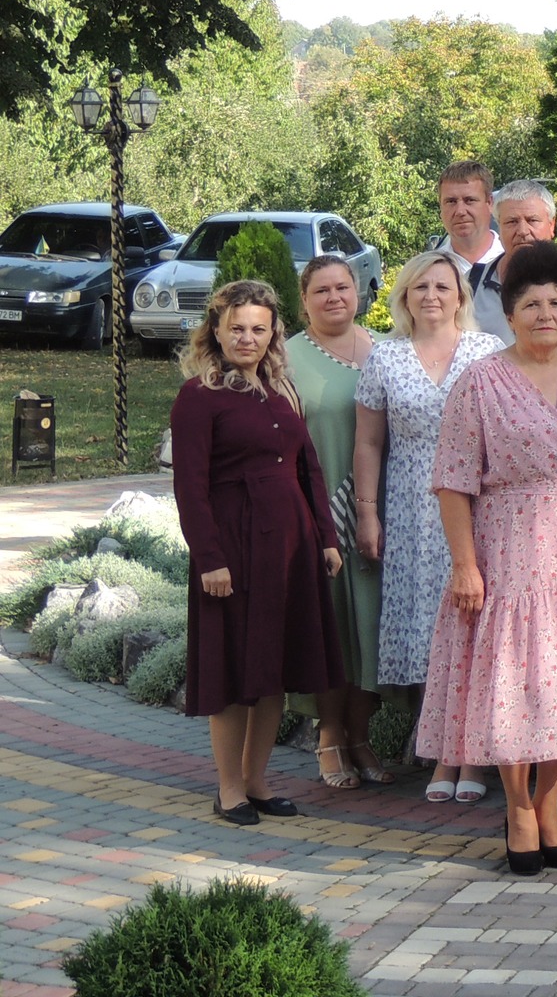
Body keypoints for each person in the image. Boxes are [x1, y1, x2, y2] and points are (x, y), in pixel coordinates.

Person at [415, 243, 557, 876]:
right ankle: (518, 809)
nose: (545, 314)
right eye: (531, 304)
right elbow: (452, 481)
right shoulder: (480, 382)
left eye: (556, 303)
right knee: (513, 686)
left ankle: (549, 806)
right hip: (508, 553)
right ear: (509, 314)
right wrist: (464, 564)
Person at [172, 280, 345, 825]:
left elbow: (308, 468)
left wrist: (326, 537)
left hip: (290, 545)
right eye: (237, 328)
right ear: (217, 331)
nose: (247, 338)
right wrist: (209, 559)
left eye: (258, 329)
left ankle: (257, 781)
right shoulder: (198, 397)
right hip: (234, 546)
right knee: (232, 672)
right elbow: (190, 487)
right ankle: (229, 789)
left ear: (273, 334)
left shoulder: (281, 389)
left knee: (274, 665)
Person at [352, 250, 503, 803]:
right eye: (421, 287)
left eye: (443, 286)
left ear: (460, 296)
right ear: (405, 297)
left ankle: (471, 757)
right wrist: (367, 511)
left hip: (476, 508)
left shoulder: (488, 351)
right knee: (430, 635)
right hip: (412, 512)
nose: (432, 296)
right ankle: (441, 750)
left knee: (475, 628)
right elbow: (369, 442)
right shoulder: (385, 357)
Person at [285, 256, 391, 791]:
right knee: (331, 628)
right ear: (304, 300)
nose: (334, 298)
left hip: (380, 512)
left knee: (369, 625)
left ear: (358, 292)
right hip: (319, 511)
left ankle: (360, 735)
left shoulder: (386, 350)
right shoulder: (286, 358)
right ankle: (329, 736)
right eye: (321, 290)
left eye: (342, 287)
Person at [470, 180, 557, 341]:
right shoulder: (470, 285)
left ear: (552, 225)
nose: (522, 231)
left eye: (532, 220)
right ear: (499, 228)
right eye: (511, 222)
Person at [437, 161, 502, 280]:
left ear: (489, 203)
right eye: (451, 201)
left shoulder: (512, 261)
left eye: (470, 200)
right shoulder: (425, 271)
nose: (460, 211)